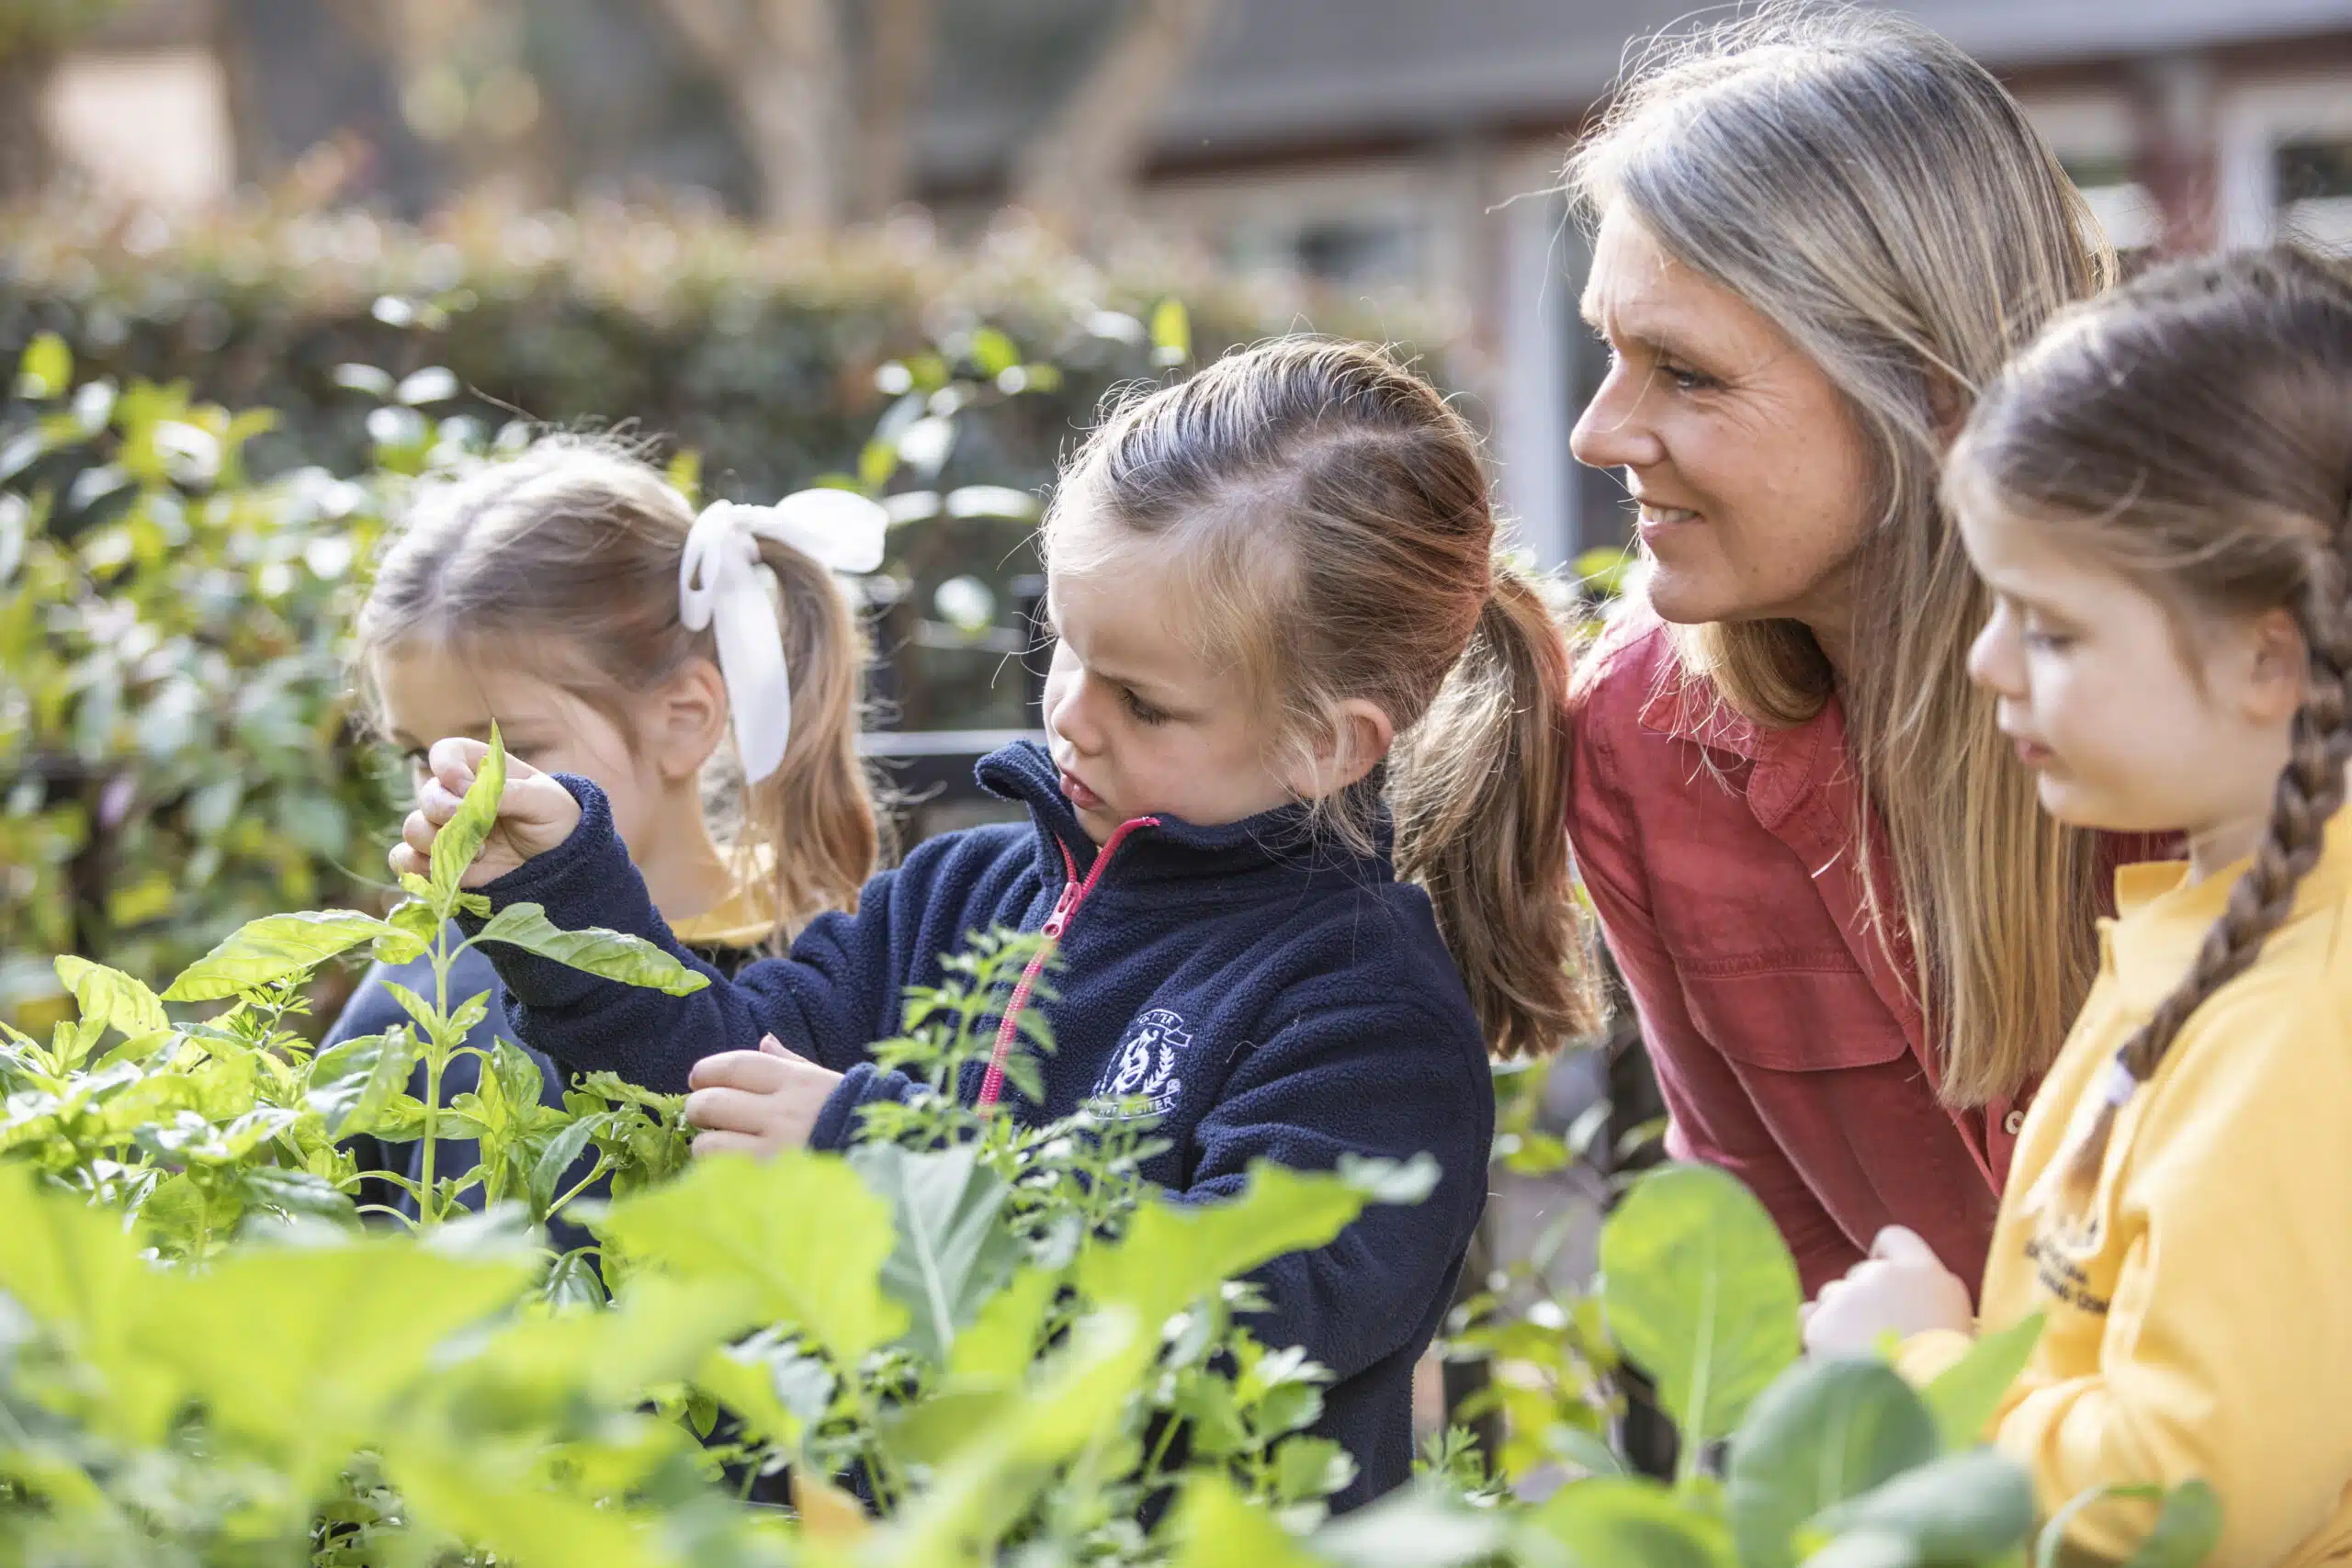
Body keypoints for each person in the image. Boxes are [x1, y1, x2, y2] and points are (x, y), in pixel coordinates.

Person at [389, 338, 1596, 1509]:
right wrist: (554, 893)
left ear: (1331, 741)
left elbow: (1232, 1330)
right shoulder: (962, 892)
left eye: (1145, 699)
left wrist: (880, 1162)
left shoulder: (1368, 1014)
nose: (1072, 715)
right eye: (1068, 647)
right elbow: (707, 1069)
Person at [1561, 4, 2151, 1295]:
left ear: (1933, 388)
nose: (1598, 433)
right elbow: (1783, 1270)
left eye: (1688, 373)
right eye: (1613, 352)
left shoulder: (2205, 709)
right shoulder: (1637, 738)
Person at [1804, 246, 2352, 1565]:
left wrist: (1917, 1369)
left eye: (2047, 627)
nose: (1987, 661)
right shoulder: (2228, 931)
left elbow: (2193, 1493)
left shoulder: (2304, 1026)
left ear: (2267, 651)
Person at [327, 437, 886, 1249]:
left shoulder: (815, 983)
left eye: (505, 747)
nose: (447, 799)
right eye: (419, 754)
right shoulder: (416, 989)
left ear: (684, 718)